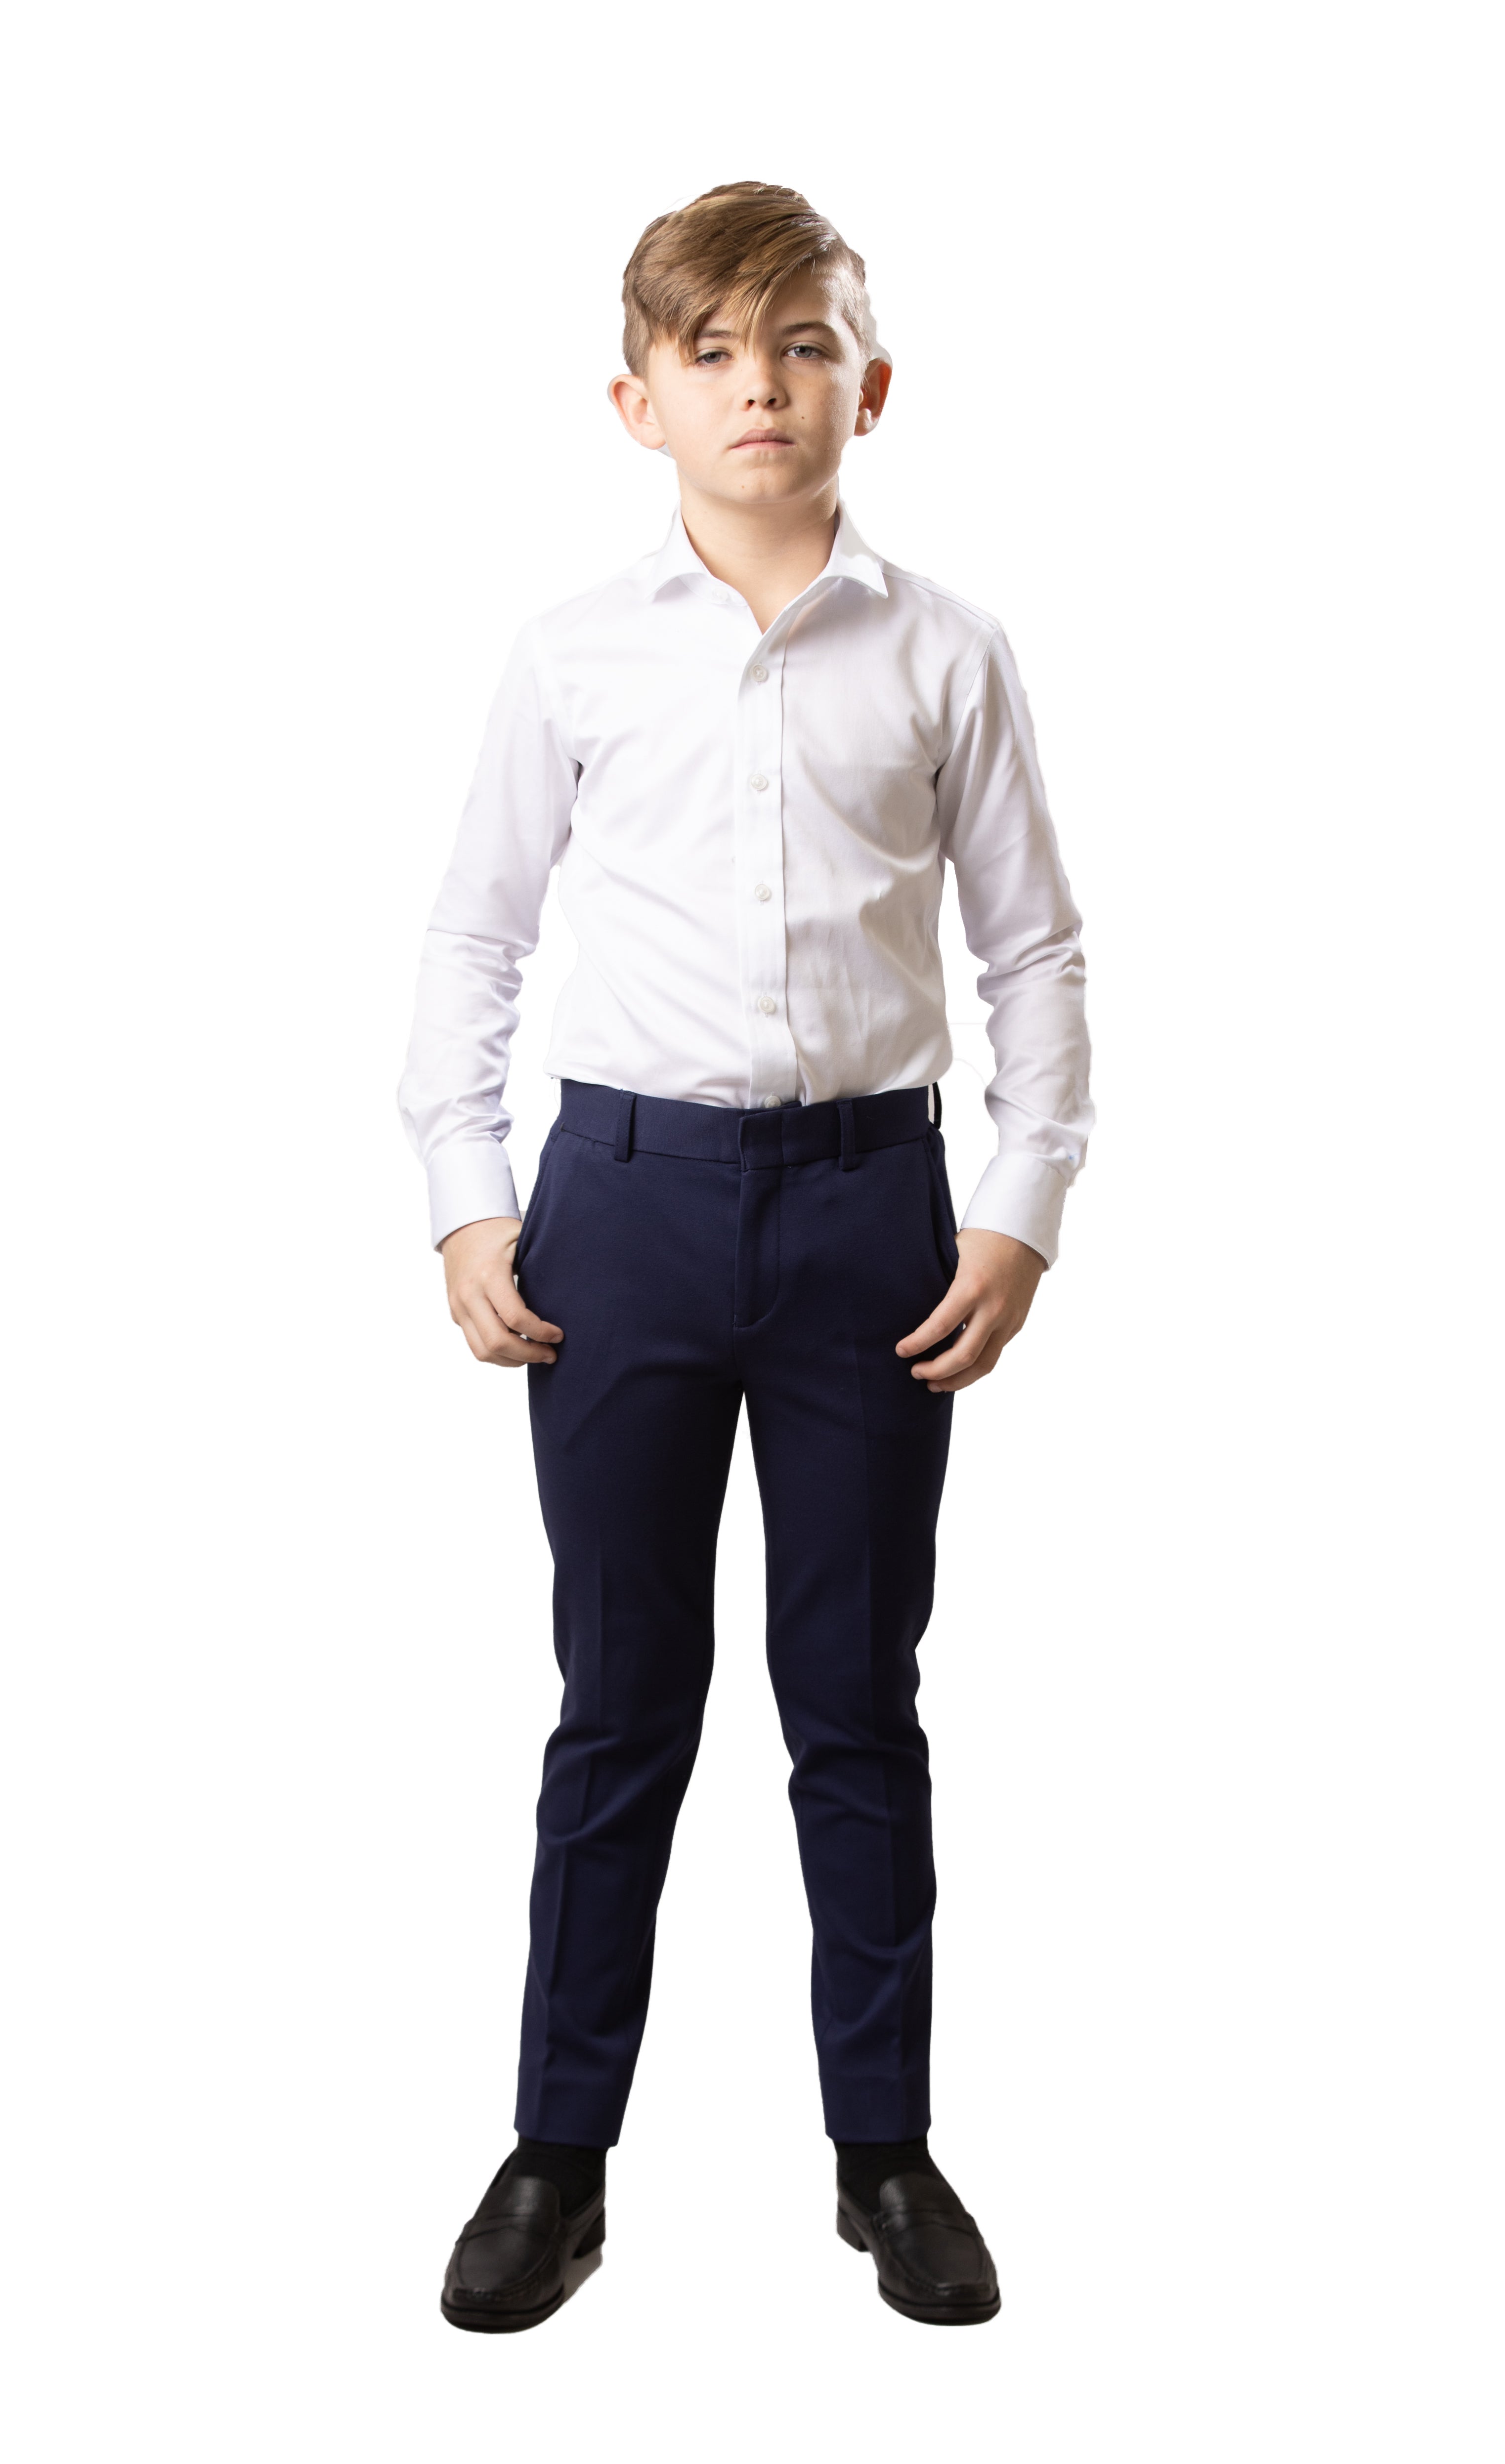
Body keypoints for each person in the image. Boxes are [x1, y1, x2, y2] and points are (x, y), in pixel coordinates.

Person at [399, 180, 1093, 2330]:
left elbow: (1033, 950)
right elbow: (476, 934)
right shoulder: (572, 655)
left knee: (854, 1695)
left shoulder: (948, 651)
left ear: (870, 385)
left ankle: (881, 2149)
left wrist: (1019, 1204)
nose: (759, 385)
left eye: (801, 344)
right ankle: (558, 2152)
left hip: (870, 1216)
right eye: (709, 351)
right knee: (619, 1699)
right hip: (619, 1210)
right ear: (639, 402)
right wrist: (468, 1189)